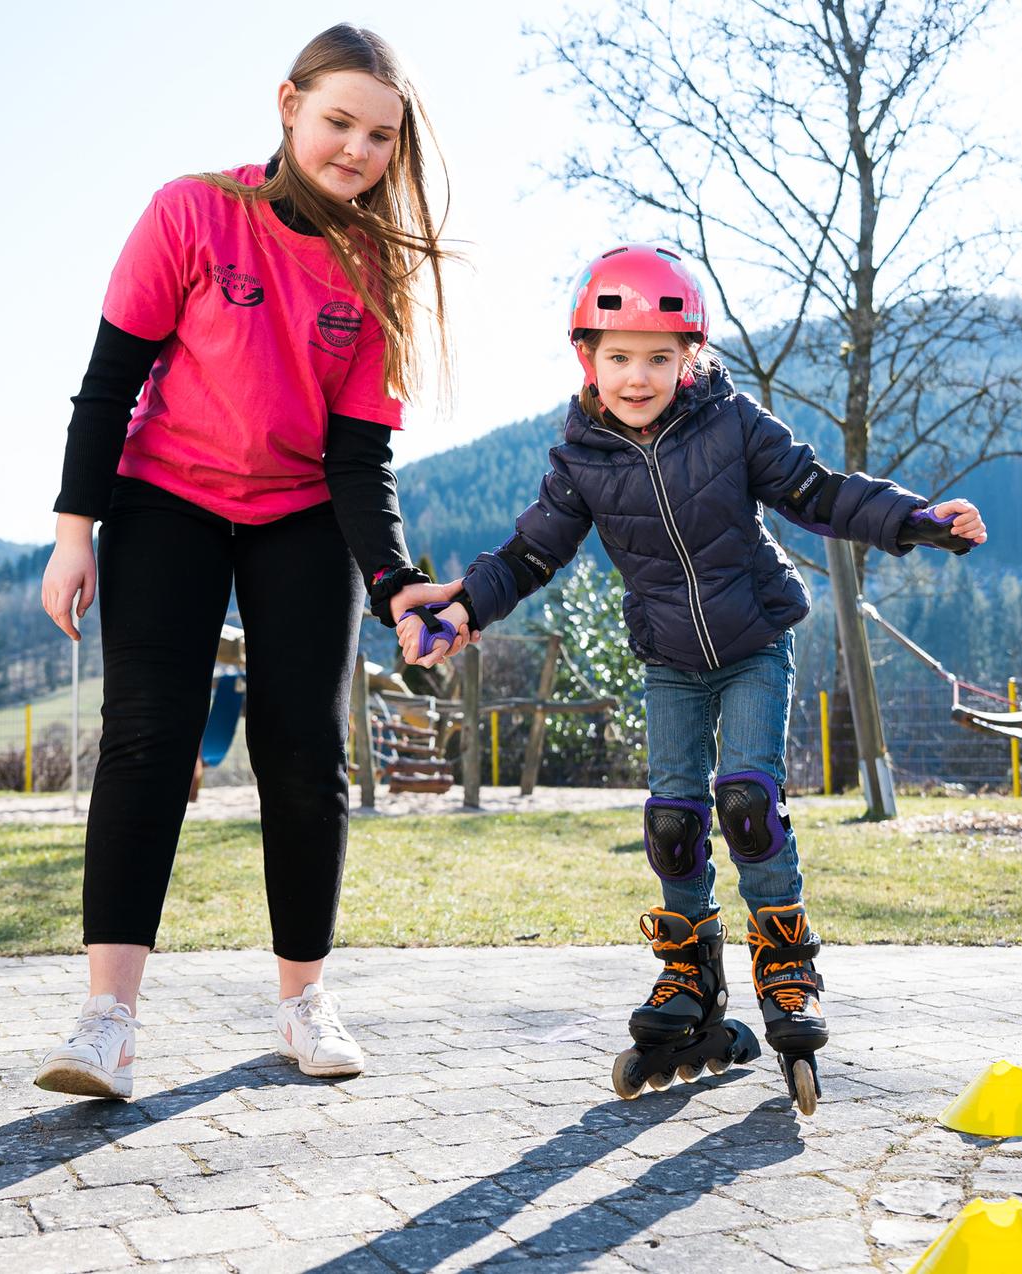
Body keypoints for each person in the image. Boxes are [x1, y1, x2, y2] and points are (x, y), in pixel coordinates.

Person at [403, 244, 986, 1112]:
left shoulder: (732, 424)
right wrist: (463, 612)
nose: (637, 377)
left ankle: (785, 965)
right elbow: (529, 554)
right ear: (586, 362)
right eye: (618, 357)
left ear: (692, 359)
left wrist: (913, 519)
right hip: (670, 663)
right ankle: (690, 981)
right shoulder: (579, 462)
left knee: (745, 801)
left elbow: (817, 493)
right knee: (673, 823)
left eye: (658, 358)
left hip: (753, 642)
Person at [33, 24, 471, 1099]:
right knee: (148, 736)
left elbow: (360, 457)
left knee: (304, 748)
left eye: (379, 135)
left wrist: (396, 579)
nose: (357, 150)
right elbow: (109, 381)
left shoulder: (376, 269)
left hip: (299, 513)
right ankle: (108, 1021)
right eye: (338, 122)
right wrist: (74, 529)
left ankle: (303, 999)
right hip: (165, 497)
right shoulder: (191, 211)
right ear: (288, 105)